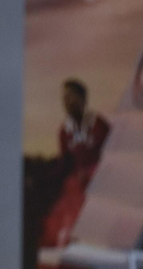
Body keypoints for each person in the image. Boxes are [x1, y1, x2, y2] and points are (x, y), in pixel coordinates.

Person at [41, 78, 111, 248]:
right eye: (64, 98)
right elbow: (65, 164)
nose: (66, 102)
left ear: (83, 99)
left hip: (100, 184)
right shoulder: (65, 131)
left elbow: (110, 156)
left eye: (71, 97)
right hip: (77, 189)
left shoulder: (99, 124)